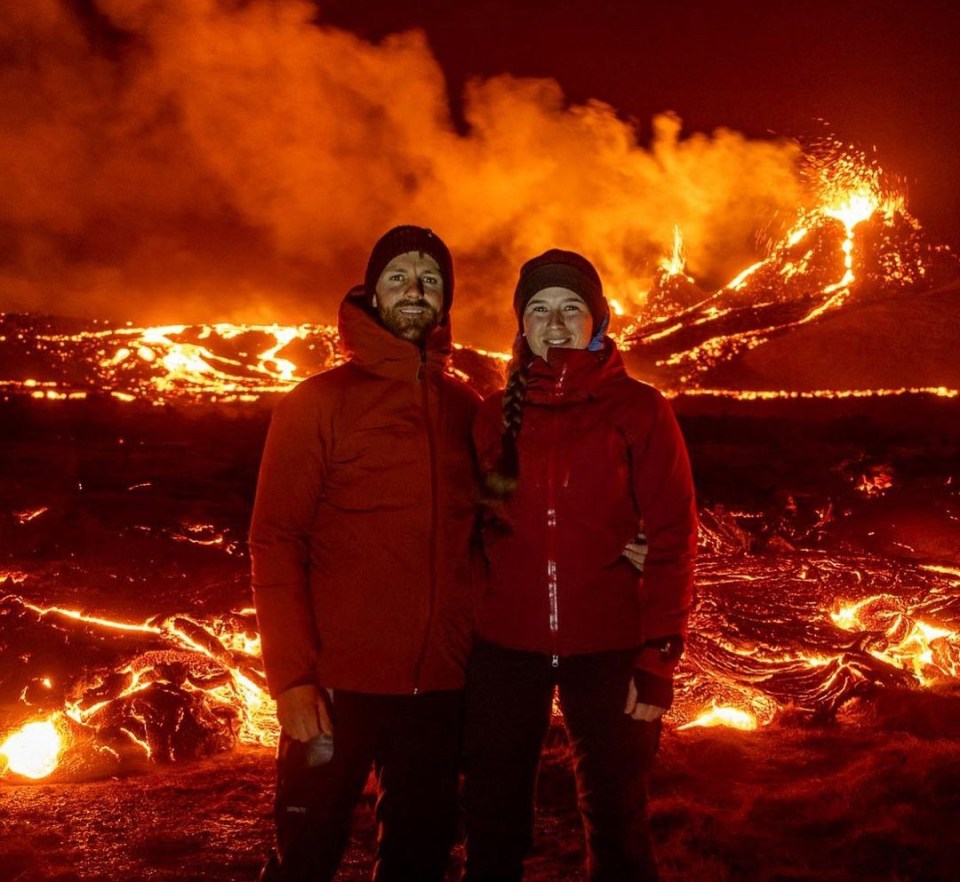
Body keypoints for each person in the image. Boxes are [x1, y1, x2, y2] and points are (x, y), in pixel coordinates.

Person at [249, 225, 481, 882]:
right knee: (306, 854)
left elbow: (495, 533)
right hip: (333, 689)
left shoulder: (466, 409)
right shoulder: (317, 404)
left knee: (418, 859)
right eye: (400, 277)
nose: (415, 290)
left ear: (446, 301)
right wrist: (291, 678)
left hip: (437, 691)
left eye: (431, 280)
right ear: (372, 291)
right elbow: (275, 540)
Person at [462, 249, 698, 882]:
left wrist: (658, 658)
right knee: (491, 823)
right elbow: (468, 529)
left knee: (619, 825)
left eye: (572, 308)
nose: (556, 322)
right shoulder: (491, 417)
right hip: (504, 650)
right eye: (539, 310)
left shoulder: (642, 412)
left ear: (598, 320)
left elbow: (675, 535)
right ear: (521, 325)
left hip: (612, 647)